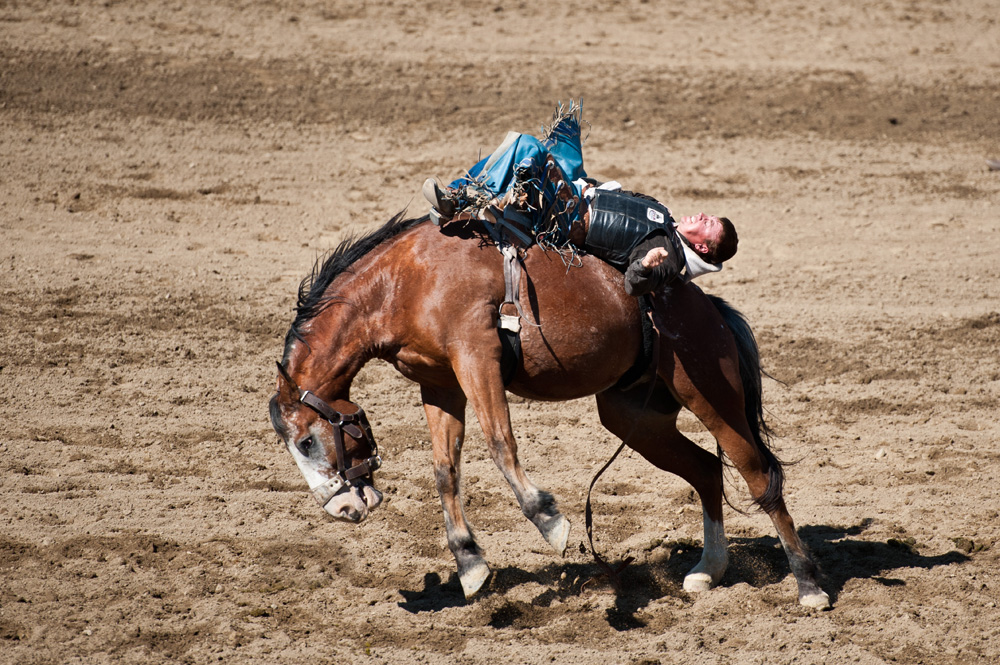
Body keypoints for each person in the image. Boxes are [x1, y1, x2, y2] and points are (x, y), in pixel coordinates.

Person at [422, 103, 738, 296]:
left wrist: (644, 265)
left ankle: (458, 198)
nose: (701, 214)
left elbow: (634, 285)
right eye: (708, 215)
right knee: (568, 129)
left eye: (709, 223)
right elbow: (617, 195)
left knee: (525, 145)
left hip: (566, 219)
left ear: (702, 247)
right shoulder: (663, 216)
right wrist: (580, 180)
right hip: (576, 192)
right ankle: (513, 185)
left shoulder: (667, 254)